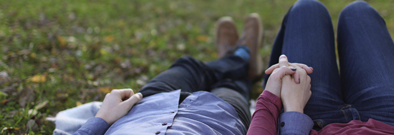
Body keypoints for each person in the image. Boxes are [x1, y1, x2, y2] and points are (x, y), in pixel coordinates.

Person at [60, 14, 272, 135]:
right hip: (218, 120)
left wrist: (102, 119)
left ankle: (238, 57)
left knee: (188, 65)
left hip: (145, 110)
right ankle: (242, 57)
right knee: (233, 83)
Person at [247, 0, 394, 135]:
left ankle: (249, 61)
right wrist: (292, 107)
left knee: (306, 8)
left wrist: (272, 96)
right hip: (393, 125)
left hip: (309, 123)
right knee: (359, 12)